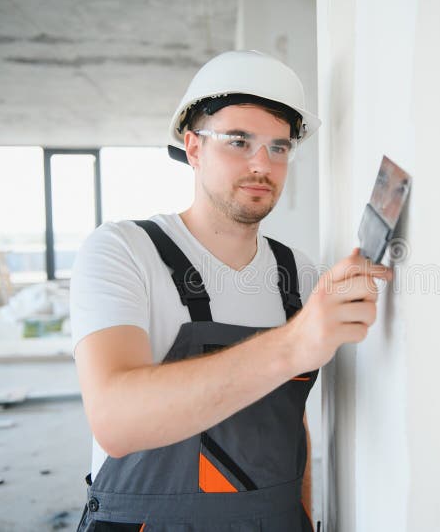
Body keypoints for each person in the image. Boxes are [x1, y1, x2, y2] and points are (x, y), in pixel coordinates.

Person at [71, 50, 392, 531]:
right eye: (238, 141)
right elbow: (117, 422)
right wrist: (294, 343)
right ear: (193, 148)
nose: (262, 165)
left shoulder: (298, 276)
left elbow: (288, 426)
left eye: (278, 148)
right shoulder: (123, 251)